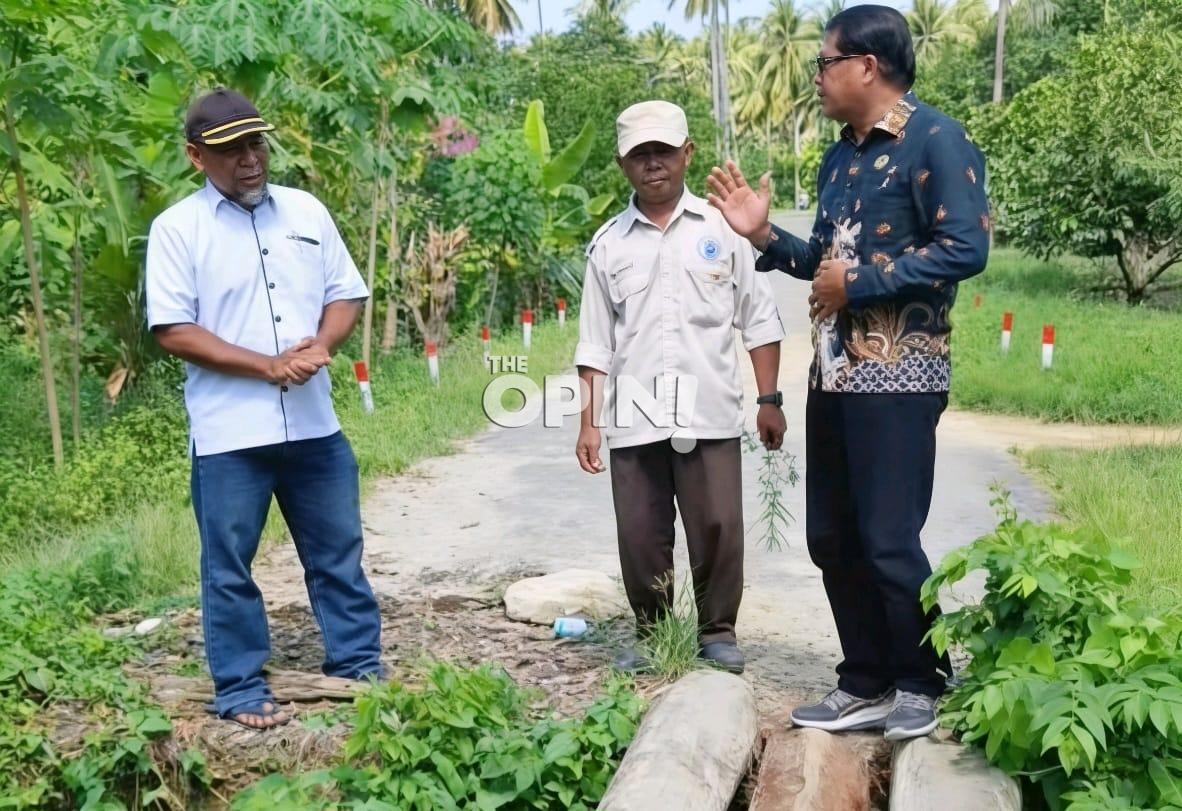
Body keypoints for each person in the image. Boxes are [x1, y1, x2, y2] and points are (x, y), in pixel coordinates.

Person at [706, 5, 989, 740]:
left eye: (824, 63)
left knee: (890, 539)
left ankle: (922, 682)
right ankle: (863, 679)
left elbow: (965, 248)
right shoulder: (841, 156)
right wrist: (765, 234)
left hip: (901, 374)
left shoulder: (936, 137)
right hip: (832, 374)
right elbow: (823, 267)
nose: (817, 78)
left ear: (867, 65)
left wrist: (857, 284)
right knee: (831, 536)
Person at [145, 88, 384, 730]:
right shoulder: (177, 230)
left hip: (315, 425)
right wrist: (267, 365)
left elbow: (345, 294)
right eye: (230, 150)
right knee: (229, 565)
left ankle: (358, 667)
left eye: (256, 144)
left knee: (337, 551)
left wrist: (322, 343)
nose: (250, 160)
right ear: (197, 157)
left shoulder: (305, 211)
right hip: (229, 435)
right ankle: (241, 688)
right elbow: (173, 329)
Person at [574, 100, 787, 675]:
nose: (653, 165)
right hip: (634, 417)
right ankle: (652, 634)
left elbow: (759, 320)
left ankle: (718, 631)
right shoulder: (608, 245)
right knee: (640, 535)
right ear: (622, 164)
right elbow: (595, 342)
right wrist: (589, 420)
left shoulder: (724, 229)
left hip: (710, 412)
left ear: (686, 153)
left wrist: (769, 400)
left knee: (717, 526)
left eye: (663, 152)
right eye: (639, 155)